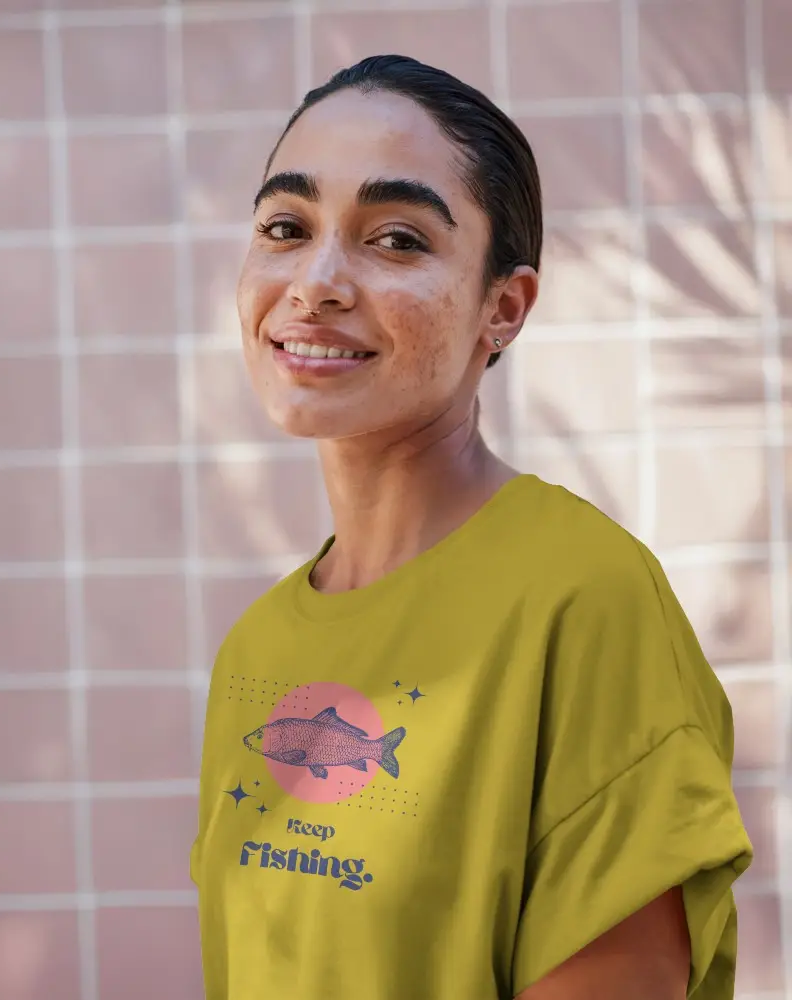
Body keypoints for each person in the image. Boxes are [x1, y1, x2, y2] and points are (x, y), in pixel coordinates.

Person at [190, 55, 752, 1000]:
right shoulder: (258, 648)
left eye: (397, 239)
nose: (317, 282)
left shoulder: (583, 600)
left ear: (504, 307)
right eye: (286, 227)